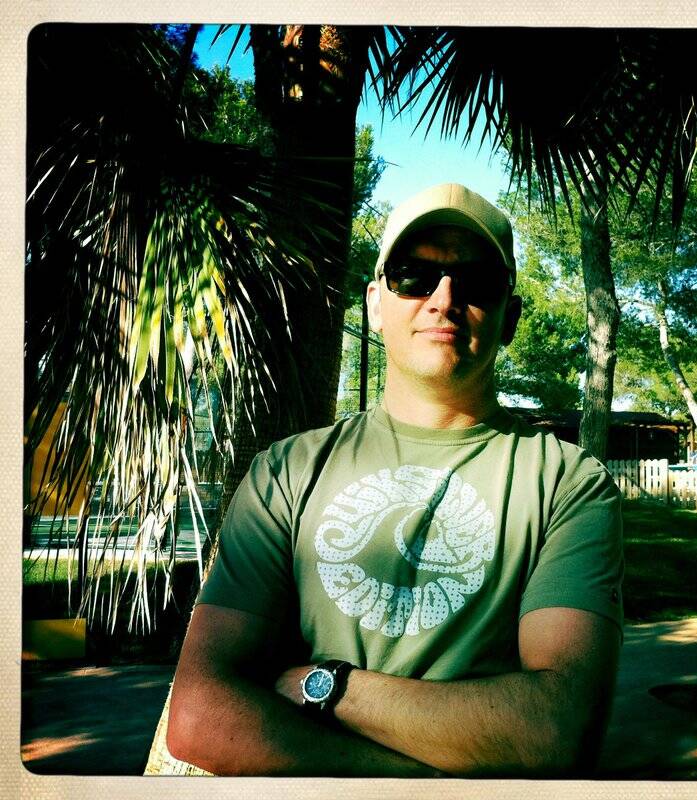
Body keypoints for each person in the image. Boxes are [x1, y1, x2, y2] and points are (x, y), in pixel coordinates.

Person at [166, 183, 624, 778]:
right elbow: (199, 717)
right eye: (414, 276)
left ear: (509, 317)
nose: (444, 299)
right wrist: (425, 783)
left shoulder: (568, 483)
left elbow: (557, 729)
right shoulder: (287, 470)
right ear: (375, 304)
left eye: (476, 281)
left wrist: (327, 686)